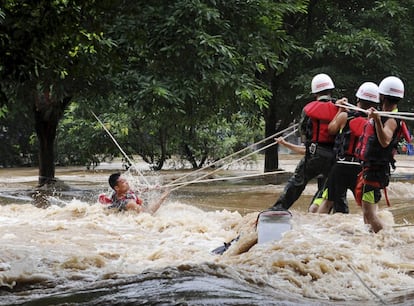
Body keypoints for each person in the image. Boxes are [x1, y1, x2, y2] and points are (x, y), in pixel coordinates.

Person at [269, 73, 339, 211]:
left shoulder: (308, 109)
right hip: (334, 158)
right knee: (335, 191)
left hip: (314, 155)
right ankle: (343, 218)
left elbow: (304, 131)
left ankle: (277, 210)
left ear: (315, 93)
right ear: (331, 91)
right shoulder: (340, 108)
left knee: (296, 183)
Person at [317, 82, 380, 214]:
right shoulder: (377, 123)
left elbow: (331, 129)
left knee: (327, 202)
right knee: (368, 208)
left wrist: (340, 110)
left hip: (340, 165)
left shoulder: (345, 116)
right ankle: (376, 233)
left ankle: (317, 230)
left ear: (357, 99)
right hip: (361, 169)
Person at [354, 76, 405, 232]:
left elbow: (385, 141)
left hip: (376, 172)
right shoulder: (384, 115)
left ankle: (385, 240)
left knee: (369, 213)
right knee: (367, 212)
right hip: (371, 169)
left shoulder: (391, 119)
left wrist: (376, 120)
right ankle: (371, 243)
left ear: (381, 96)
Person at [98, 172, 169, 214]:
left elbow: (134, 191)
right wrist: (162, 198)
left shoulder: (116, 193)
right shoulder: (129, 203)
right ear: (117, 188)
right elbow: (148, 213)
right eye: (123, 182)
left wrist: (151, 188)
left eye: (125, 180)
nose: (127, 182)